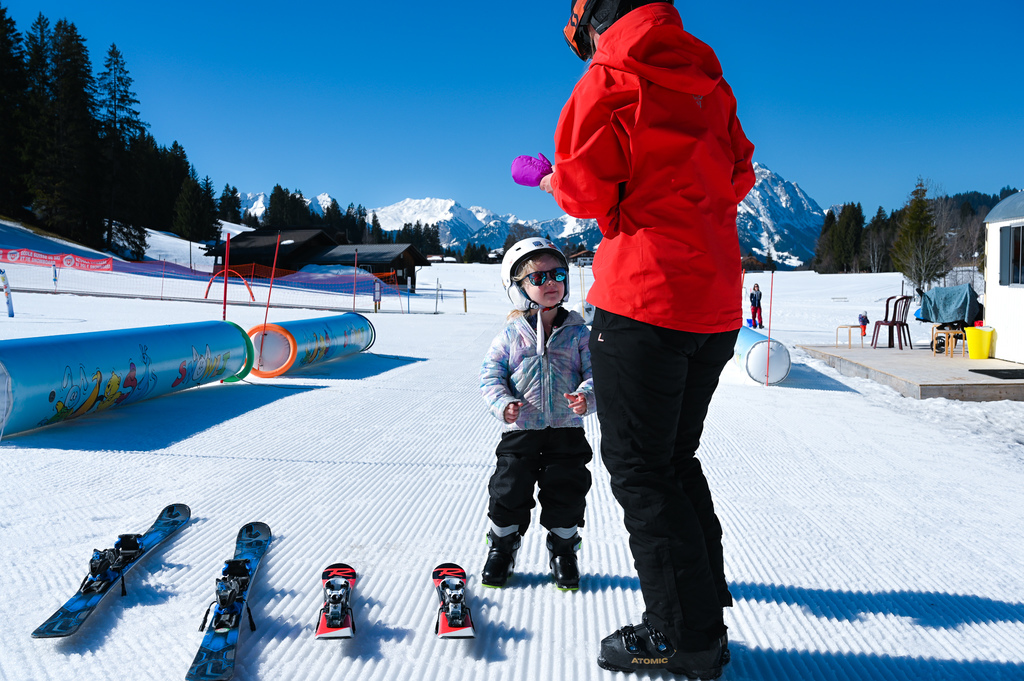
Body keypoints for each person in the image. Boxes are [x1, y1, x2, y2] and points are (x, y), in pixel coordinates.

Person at [534, 0, 755, 676]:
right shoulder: (709, 79)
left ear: (596, 19)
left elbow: (585, 188)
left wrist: (549, 177)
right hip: (712, 304)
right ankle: (699, 603)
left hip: (643, 301)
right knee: (674, 458)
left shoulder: (609, 77)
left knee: (641, 469)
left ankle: (681, 635)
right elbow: (740, 174)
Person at [479, 238, 596, 591]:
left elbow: (596, 374)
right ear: (518, 289)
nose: (552, 283)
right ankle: (502, 547)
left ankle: (563, 549)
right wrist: (503, 404)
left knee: (567, 489)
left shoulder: (578, 332)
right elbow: (490, 375)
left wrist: (586, 396)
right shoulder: (511, 335)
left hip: (567, 429)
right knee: (509, 488)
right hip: (522, 430)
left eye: (558, 274)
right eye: (539, 277)